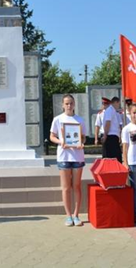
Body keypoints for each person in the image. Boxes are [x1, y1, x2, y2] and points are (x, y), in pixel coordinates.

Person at [49, 94, 86, 227]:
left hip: (77, 156)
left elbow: (83, 137)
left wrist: (82, 143)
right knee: (65, 187)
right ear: (62, 105)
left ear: (74, 104)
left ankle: (76, 215)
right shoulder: (58, 119)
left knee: (76, 186)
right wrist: (61, 142)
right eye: (66, 103)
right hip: (64, 156)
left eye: (71, 103)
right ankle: (68, 216)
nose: (69, 106)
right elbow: (52, 136)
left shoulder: (80, 120)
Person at [101, 97, 123, 162]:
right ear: (116, 102)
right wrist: (105, 135)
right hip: (110, 136)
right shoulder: (110, 110)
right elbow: (108, 123)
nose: (119, 106)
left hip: (113, 136)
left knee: (116, 158)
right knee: (109, 158)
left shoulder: (113, 110)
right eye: (119, 104)